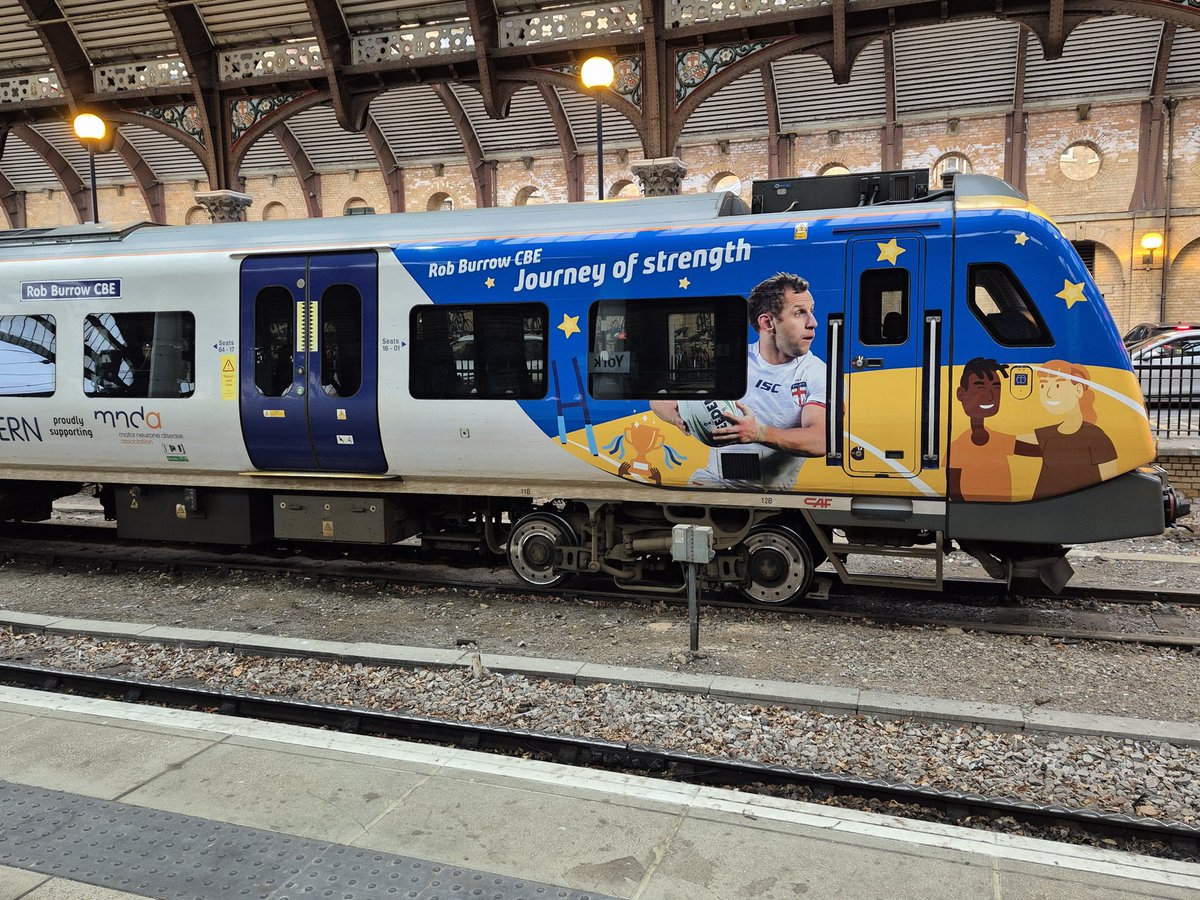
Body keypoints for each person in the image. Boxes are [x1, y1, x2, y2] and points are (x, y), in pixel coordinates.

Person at [651, 272, 827, 489]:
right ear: (767, 322)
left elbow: (821, 440)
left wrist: (759, 433)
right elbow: (658, 397)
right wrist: (677, 417)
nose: (813, 323)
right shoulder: (729, 360)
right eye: (800, 313)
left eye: (811, 311)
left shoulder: (817, 373)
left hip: (773, 496)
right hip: (710, 482)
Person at [1015, 360, 1118, 499]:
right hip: (1044, 508)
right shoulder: (1046, 434)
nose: (1049, 393)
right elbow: (1009, 443)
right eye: (1044, 385)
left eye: (1058, 385)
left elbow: (1110, 483)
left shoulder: (1096, 437)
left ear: (1078, 390)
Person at [947, 357, 1016, 502]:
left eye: (996, 387)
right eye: (980, 387)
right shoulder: (957, 446)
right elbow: (953, 488)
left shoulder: (997, 438)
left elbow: (1041, 449)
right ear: (960, 394)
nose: (991, 396)